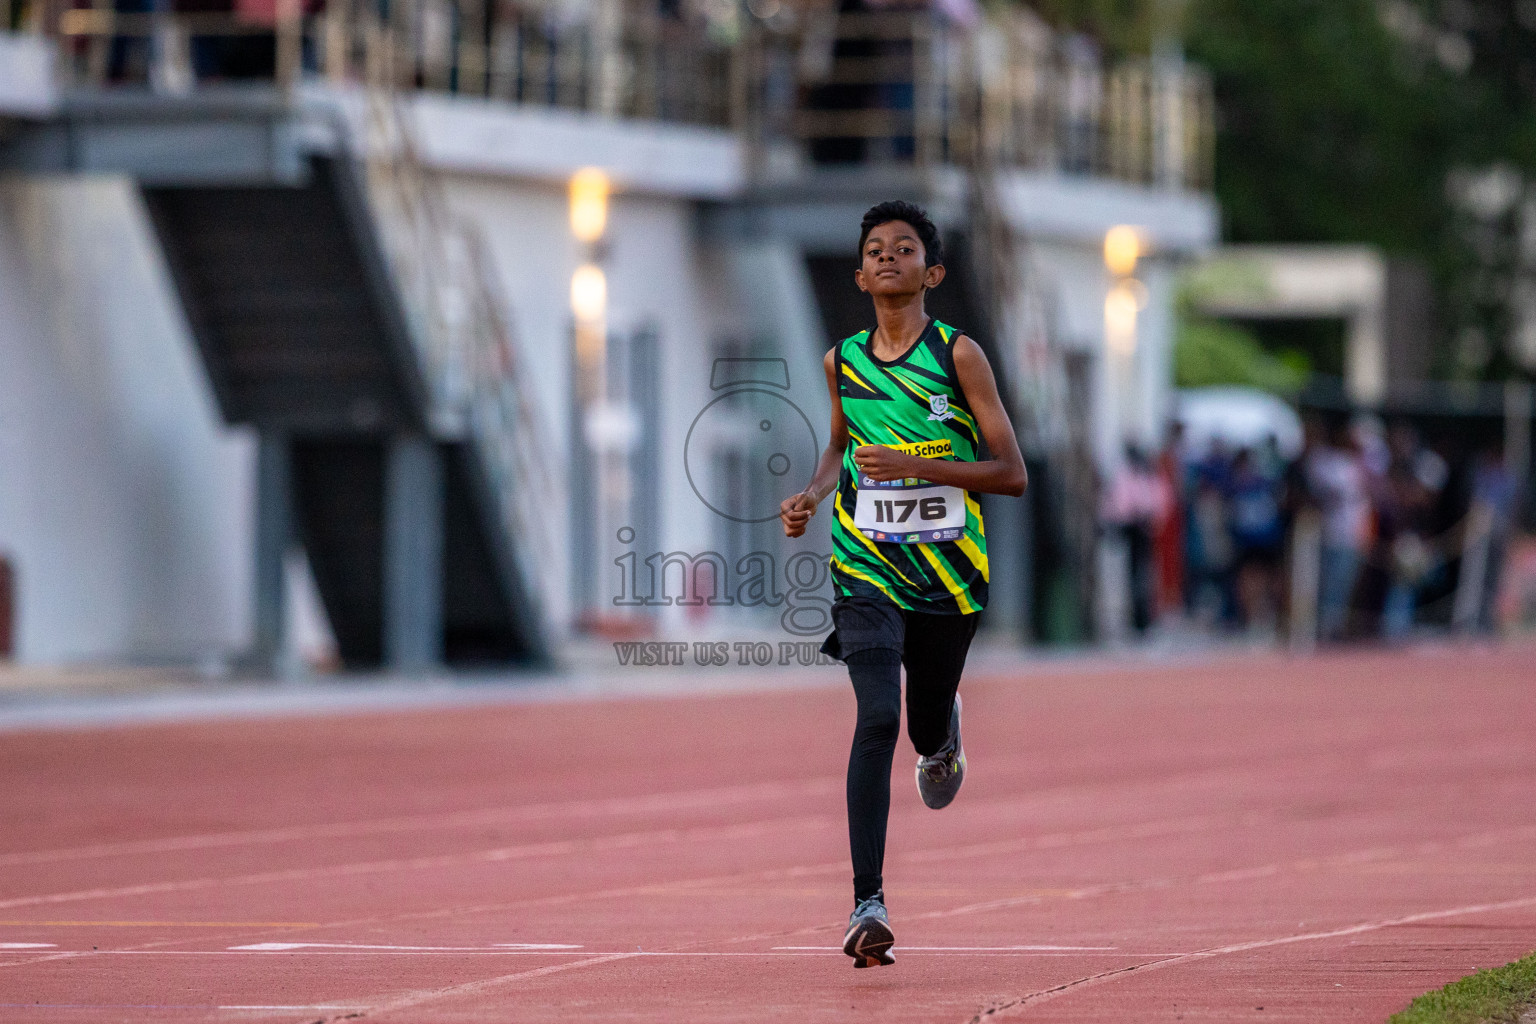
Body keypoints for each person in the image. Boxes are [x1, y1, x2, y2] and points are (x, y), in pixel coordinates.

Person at [778, 201, 1027, 969]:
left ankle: (944, 730)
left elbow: (1010, 474)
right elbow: (839, 447)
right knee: (875, 718)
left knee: (919, 730)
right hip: (866, 567)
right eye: (876, 250)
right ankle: (867, 903)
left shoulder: (960, 357)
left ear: (933, 271)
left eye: (905, 248)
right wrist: (815, 495)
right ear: (859, 275)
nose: (889, 258)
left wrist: (919, 466)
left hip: (950, 575)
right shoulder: (841, 361)